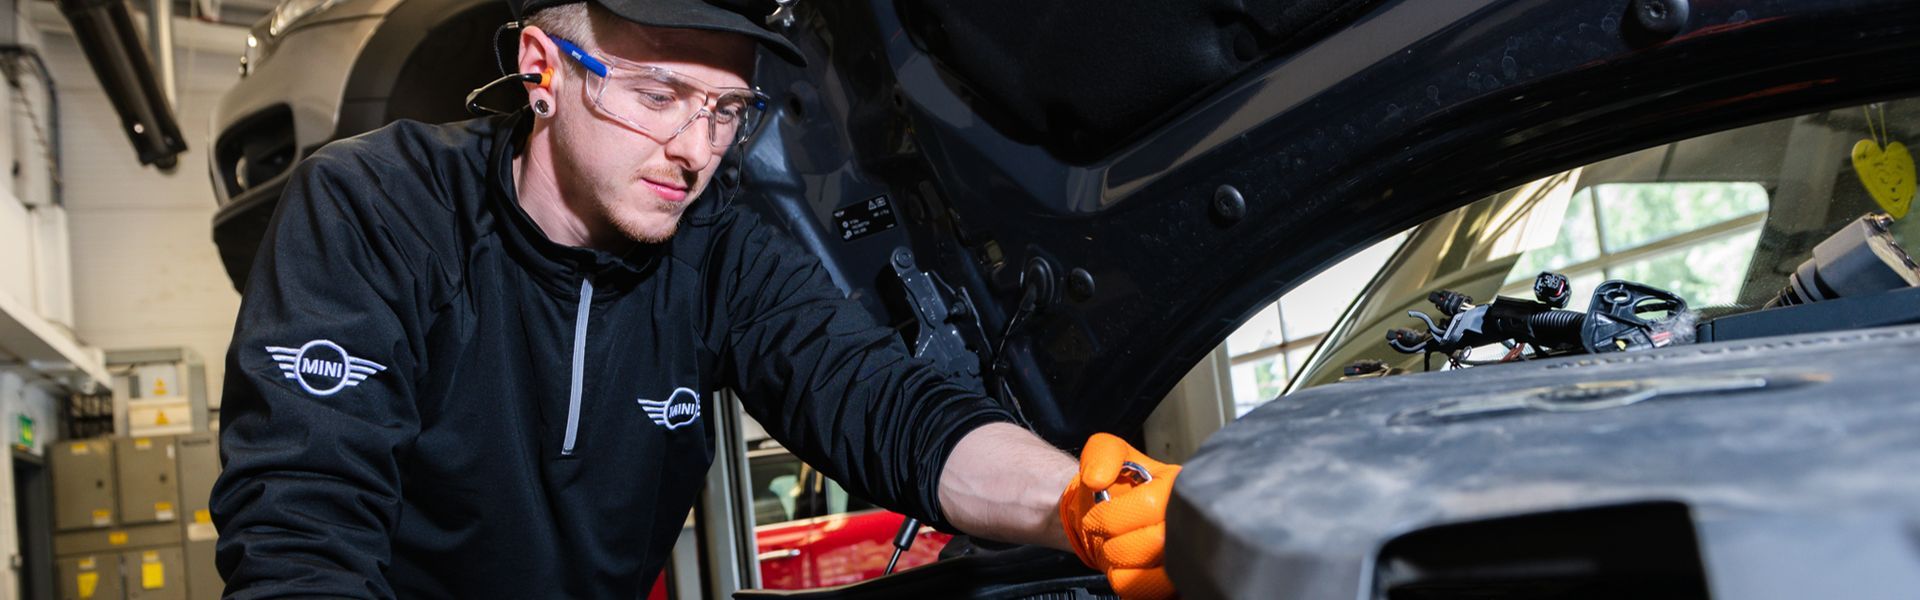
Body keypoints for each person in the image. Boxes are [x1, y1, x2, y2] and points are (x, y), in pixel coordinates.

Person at [209, 0, 1177, 598]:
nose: (697, 150)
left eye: (724, 109)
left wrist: (1079, 501)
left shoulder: (714, 252)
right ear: (543, 72)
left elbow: (887, 406)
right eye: (661, 94)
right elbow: (302, 544)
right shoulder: (378, 213)